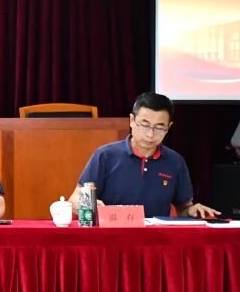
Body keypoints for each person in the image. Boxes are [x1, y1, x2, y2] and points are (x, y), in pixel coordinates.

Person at [70, 92, 219, 218]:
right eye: (145, 125)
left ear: (169, 127)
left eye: (159, 128)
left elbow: (183, 209)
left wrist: (191, 211)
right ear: (132, 120)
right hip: (111, 236)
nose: (150, 134)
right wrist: (90, 205)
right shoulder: (105, 155)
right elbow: (74, 199)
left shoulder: (175, 161)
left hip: (156, 239)